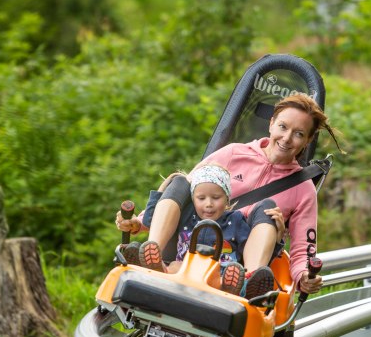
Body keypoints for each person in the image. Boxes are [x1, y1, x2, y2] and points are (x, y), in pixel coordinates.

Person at [117, 93, 344, 297]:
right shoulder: (234, 153)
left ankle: (249, 281)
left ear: (308, 140)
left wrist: (304, 275)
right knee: (181, 181)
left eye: (299, 134)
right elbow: (187, 193)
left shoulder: (303, 189)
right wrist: (140, 222)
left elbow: (303, 247)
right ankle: (152, 253)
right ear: (272, 124)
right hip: (188, 241)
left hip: (239, 261)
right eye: (283, 127)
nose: (286, 138)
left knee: (268, 209)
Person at [128, 164, 285, 297]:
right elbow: (152, 219)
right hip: (184, 270)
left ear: (226, 198)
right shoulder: (186, 214)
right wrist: (168, 186)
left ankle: (240, 286)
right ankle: (156, 266)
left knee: (231, 273)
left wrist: (277, 238)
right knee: (174, 266)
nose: (208, 204)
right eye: (201, 198)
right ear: (193, 197)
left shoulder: (235, 220)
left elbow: (255, 248)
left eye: (216, 198)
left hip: (220, 275)